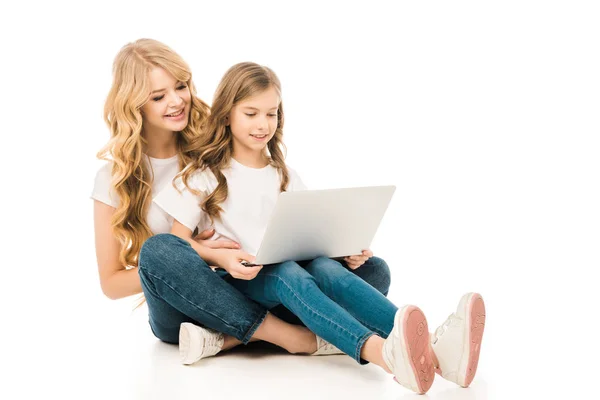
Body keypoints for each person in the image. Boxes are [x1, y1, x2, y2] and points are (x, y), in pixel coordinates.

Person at [153, 62, 486, 394]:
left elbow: (307, 241)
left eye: (272, 114)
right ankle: (383, 353)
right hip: (238, 285)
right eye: (251, 113)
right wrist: (219, 258)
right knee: (286, 272)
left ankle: (433, 351)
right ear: (227, 115)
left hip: (287, 285)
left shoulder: (285, 175)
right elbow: (176, 244)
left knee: (367, 270)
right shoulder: (202, 175)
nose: (263, 124)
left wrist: (344, 254)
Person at [92, 38, 393, 367]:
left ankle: (225, 340)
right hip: (182, 303)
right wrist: (203, 256)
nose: (177, 101)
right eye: (159, 96)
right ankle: (293, 337)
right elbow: (112, 283)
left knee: (371, 272)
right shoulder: (114, 178)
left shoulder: (213, 152)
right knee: (160, 250)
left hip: (250, 284)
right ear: (134, 104)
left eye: (181, 86)